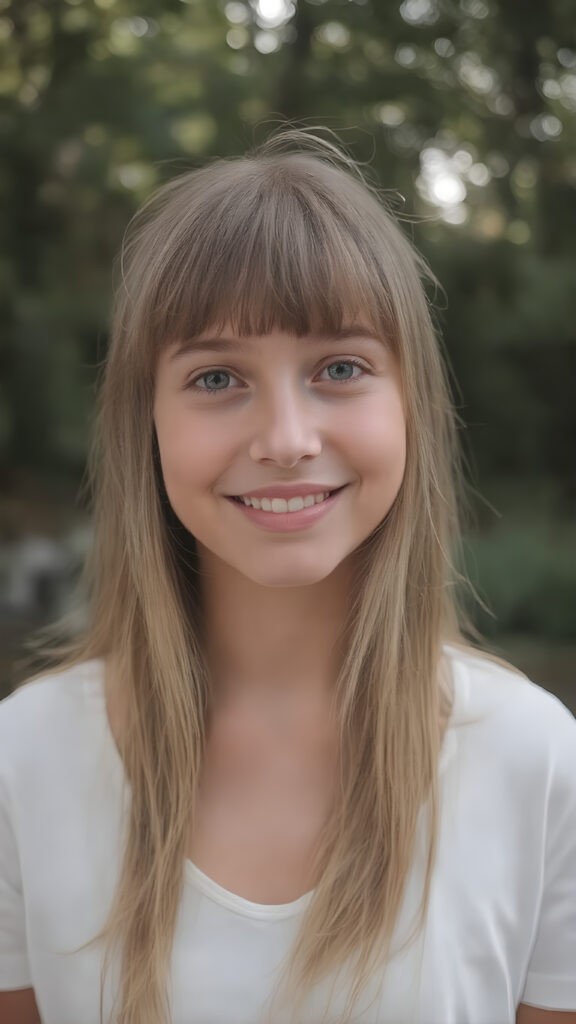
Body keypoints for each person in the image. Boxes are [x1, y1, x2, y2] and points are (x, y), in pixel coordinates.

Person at [0, 128, 574, 1024]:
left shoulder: (534, 761)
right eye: (218, 376)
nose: (287, 439)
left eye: (340, 368)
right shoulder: (23, 759)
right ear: (144, 424)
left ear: (411, 404)